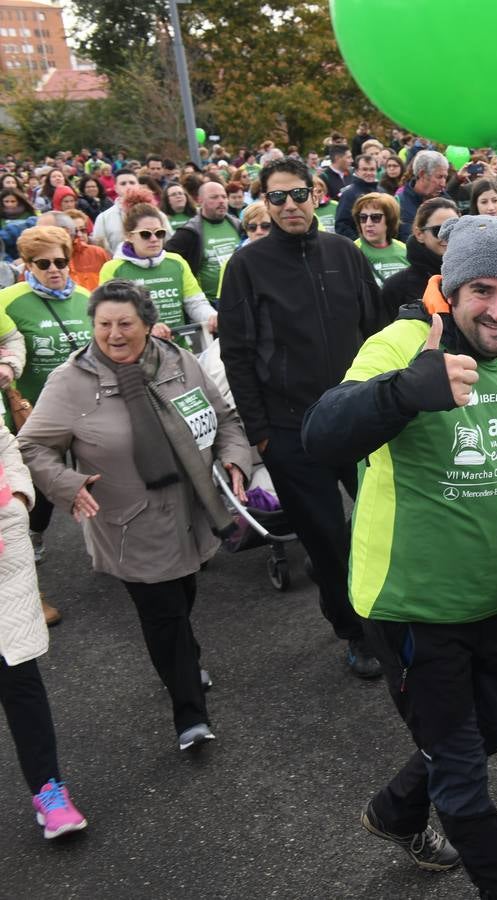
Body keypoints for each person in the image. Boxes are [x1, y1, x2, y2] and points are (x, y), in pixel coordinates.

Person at [301, 215, 497, 896]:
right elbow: (321, 433)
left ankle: (395, 809)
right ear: (450, 289)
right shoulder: (401, 343)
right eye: (481, 289)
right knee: (461, 772)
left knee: (495, 727)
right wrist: (405, 391)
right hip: (408, 600)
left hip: (485, 594)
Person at [18, 279, 251, 752]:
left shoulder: (177, 360)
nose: (114, 334)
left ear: (147, 324)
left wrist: (234, 459)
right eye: (104, 324)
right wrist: (68, 484)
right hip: (128, 524)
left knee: (182, 601)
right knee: (164, 616)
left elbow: (224, 418)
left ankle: (184, 661)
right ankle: (190, 716)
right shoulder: (70, 382)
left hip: (193, 511)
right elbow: (34, 446)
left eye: (125, 323)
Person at [217, 156, 384, 678]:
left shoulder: (345, 254)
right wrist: (260, 434)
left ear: (317, 194)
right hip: (291, 429)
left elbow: (377, 329)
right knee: (327, 540)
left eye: (298, 195)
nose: (289, 205)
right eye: (277, 197)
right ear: (264, 203)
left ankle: (387, 609)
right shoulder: (246, 265)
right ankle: (354, 632)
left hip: (355, 418)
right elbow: (237, 355)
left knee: (381, 523)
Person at [0, 419, 87, 839]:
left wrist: (17, 496)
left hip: (2, 557)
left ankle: (48, 790)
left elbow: (6, 447)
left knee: (19, 677)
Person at [0, 226, 91, 612]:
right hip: (33, 414)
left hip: (86, 406)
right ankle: (33, 537)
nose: (55, 269)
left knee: (97, 474)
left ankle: (109, 539)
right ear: (27, 265)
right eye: (44, 263)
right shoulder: (9, 300)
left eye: (61, 261)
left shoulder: (86, 297)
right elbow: (9, 343)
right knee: (42, 486)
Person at [98, 203, 215, 337]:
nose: (154, 239)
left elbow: (195, 302)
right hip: (138, 351)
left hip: (178, 347)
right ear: (129, 236)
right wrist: (148, 326)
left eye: (159, 233)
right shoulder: (113, 268)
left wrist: (211, 316)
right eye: (145, 234)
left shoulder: (177, 262)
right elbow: (110, 315)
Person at [163, 180, 245, 305]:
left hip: (240, 298)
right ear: (200, 200)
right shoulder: (189, 232)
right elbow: (167, 260)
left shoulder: (238, 225)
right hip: (210, 304)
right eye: (214, 197)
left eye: (224, 196)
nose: (221, 201)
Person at [381, 197, 456, 320]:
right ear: (419, 234)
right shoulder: (397, 286)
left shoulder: (471, 278)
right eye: (439, 230)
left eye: (453, 229)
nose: (447, 236)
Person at [92, 175, 170, 254]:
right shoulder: (104, 217)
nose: (128, 186)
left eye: (132, 183)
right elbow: (100, 247)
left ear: (139, 185)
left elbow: (168, 240)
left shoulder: (158, 214)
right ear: (115, 188)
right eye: (123, 183)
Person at [351, 192, 408, 288]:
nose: (368, 223)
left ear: (390, 219)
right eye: (363, 218)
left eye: (375, 217)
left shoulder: (404, 250)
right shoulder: (352, 251)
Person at [398, 149, 450, 243]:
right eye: (439, 177)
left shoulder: (447, 201)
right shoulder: (399, 203)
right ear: (422, 174)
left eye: (445, 177)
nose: (443, 184)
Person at [333, 153, 382, 241]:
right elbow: (342, 226)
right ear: (357, 171)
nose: (369, 173)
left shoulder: (383, 193)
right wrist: (359, 243)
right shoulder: (348, 194)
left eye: (372, 169)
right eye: (364, 169)